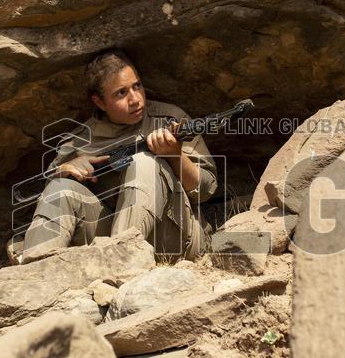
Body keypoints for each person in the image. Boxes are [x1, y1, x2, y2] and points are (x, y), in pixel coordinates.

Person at [20, 49, 218, 264]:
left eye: (137, 86)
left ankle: (119, 265)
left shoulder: (170, 120)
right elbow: (35, 195)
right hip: (108, 236)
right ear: (100, 102)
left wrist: (175, 155)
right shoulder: (79, 142)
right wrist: (65, 171)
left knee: (145, 162)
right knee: (60, 189)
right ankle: (33, 275)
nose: (135, 99)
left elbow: (206, 190)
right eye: (121, 93)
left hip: (177, 238)